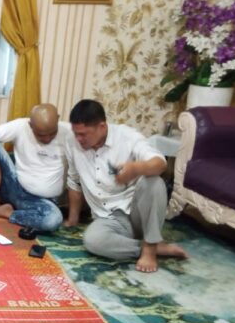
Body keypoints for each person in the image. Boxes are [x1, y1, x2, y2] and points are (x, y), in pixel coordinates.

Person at [64, 99, 188, 272]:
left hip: (138, 213)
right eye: (75, 133)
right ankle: (153, 248)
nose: (78, 139)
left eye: (83, 134)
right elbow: (74, 180)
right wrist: (73, 218)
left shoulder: (127, 137)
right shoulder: (72, 143)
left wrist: (136, 168)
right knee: (93, 241)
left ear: (102, 127)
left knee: (154, 182)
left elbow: (160, 163)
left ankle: (150, 249)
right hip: (108, 218)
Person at [0, 104, 69, 233]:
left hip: (42, 202)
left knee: (53, 220)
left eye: (52, 133)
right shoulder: (20, 126)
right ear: (30, 125)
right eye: (41, 135)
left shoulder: (70, 132)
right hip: (15, 188)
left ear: (58, 119)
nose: (47, 139)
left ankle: (7, 213)